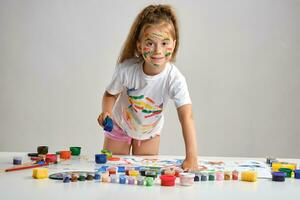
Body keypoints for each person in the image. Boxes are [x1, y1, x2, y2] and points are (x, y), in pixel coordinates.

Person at [97, 4, 198, 170]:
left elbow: (187, 116)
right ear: (139, 45)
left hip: (149, 134)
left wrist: (192, 157)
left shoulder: (175, 79)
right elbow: (110, 94)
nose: (158, 51)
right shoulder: (127, 70)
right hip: (119, 127)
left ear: (174, 44)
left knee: (144, 177)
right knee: (111, 172)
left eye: (165, 43)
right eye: (150, 43)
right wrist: (107, 111)